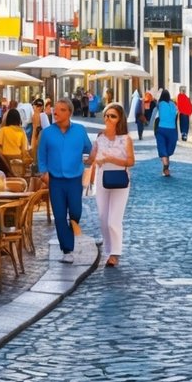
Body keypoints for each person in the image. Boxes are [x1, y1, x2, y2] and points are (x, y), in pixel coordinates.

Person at [38, 98, 93, 264]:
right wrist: (43, 172)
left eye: (61, 109)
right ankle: (67, 249)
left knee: (75, 212)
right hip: (55, 180)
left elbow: (89, 149)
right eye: (55, 109)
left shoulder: (80, 131)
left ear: (69, 112)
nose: (56, 112)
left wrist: (87, 162)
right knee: (60, 215)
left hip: (75, 178)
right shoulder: (47, 133)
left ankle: (71, 232)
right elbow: (41, 155)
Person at [87, 103, 135, 268]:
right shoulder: (100, 137)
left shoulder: (126, 139)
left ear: (119, 119)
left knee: (114, 220)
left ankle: (115, 254)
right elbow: (91, 157)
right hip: (102, 178)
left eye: (112, 116)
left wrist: (110, 159)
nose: (108, 118)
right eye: (107, 115)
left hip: (120, 178)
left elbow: (131, 161)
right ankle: (109, 249)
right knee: (103, 218)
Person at [154, 88, 179, 177]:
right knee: (168, 149)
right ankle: (166, 167)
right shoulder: (173, 105)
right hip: (172, 130)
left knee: (162, 146)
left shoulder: (160, 104)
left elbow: (155, 101)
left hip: (161, 128)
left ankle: (165, 166)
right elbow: (176, 116)